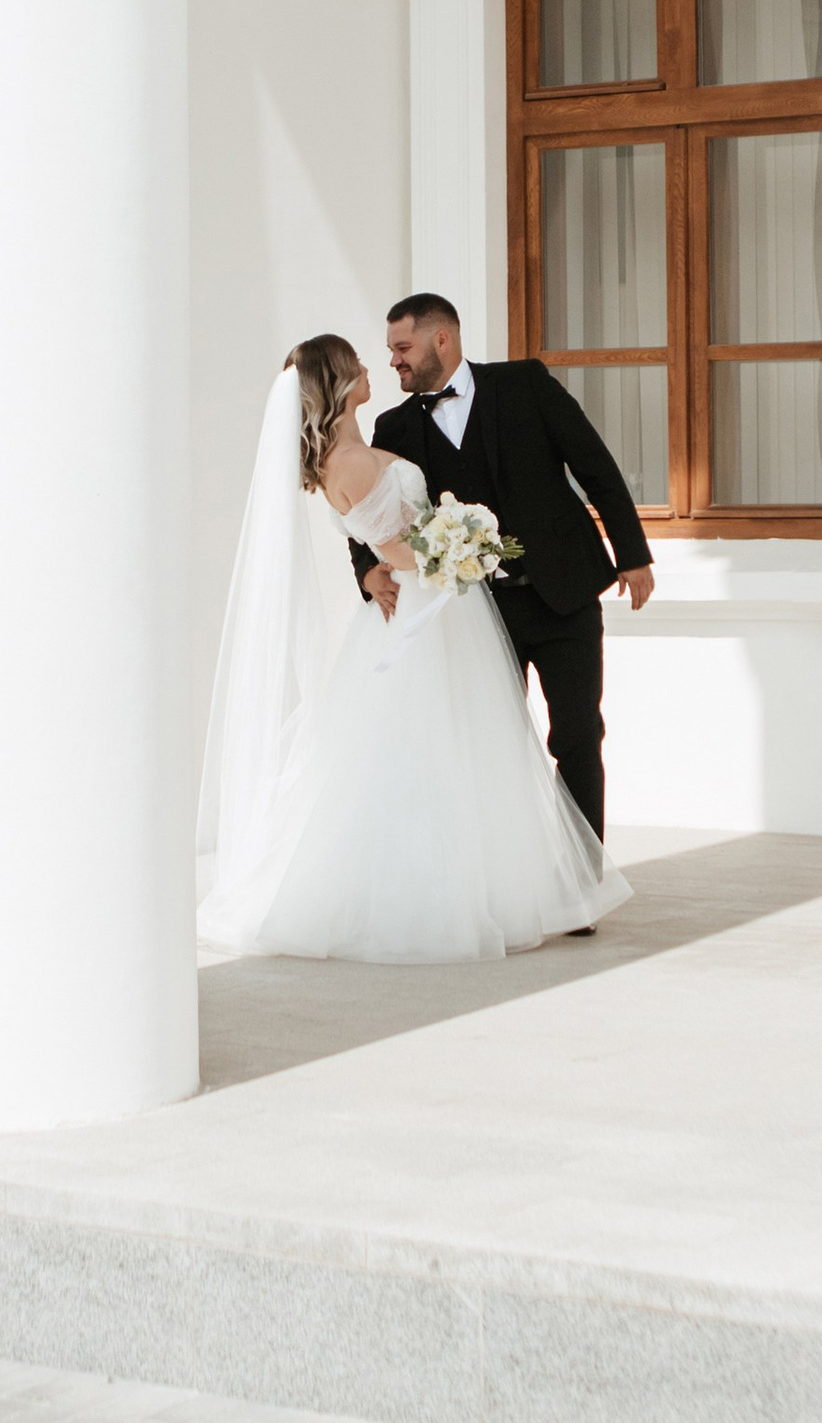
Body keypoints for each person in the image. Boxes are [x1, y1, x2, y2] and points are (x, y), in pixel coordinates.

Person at [199, 336, 629, 964]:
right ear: (339, 382)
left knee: (452, 751)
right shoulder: (348, 459)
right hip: (428, 617)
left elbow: (386, 539)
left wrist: (434, 551)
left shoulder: (348, 451)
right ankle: (436, 895)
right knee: (438, 754)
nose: (374, 367)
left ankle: (497, 882)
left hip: (433, 611)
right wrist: (462, 549)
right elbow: (394, 548)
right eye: (359, 363)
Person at [362, 292, 653, 843]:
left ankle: (584, 877)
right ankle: (514, 882)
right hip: (476, 615)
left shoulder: (524, 384)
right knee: (491, 745)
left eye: (402, 347)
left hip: (563, 595)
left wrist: (632, 554)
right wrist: (365, 569)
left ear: (440, 339)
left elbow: (594, 463)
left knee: (577, 736)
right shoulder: (393, 427)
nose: (394, 361)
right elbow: (372, 508)